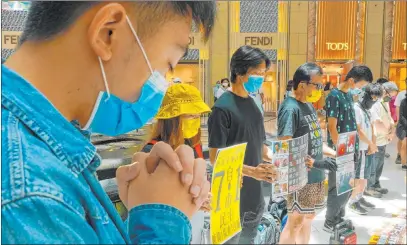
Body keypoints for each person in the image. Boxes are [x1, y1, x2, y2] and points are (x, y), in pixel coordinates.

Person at [1, 2, 216, 244]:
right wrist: (162, 221)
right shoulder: (29, 198)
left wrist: (143, 208)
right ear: (107, 33)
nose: (159, 85)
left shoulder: (39, 155)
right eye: (167, 65)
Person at [208, 46, 277, 244]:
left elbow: (259, 145)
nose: (261, 78)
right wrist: (252, 172)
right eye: (256, 73)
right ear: (239, 71)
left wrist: (276, 160)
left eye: (263, 73)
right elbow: (215, 158)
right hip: (232, 201)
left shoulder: (253, 105)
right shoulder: (222, 108)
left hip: (255, 198)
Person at [140, 83, 211, 244]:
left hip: (193, 228)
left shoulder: (193, 146)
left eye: (198, 116)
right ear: (172, 118)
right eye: (191, 116)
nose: (196, 121)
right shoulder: (152, 152)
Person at [277, 63, 337, 245]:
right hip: (300, 178)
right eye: (317, 85)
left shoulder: (308, 106)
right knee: (295, 222)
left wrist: (336, 153)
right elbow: (285, 146)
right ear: (302, 85)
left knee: (308, 217)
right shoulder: (290, 108)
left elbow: (316, 142)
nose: (320, 89)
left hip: (316, 175)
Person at [324, 65, 374, 232]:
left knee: (347, 186)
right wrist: (340, 153)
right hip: (340, 151)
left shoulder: (348, 96)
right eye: (360, 85)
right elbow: (332, 127)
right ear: (352, 80)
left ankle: (339, 216)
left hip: (352, 148)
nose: (360, 89)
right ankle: (329, 221)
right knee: (337, 187)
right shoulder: (334, 96)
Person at [347, 83, 382, 216]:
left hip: (368, 148)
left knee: (365, 177)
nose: (373, 101)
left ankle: (359, 197)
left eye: (376, 98)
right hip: (360, 148)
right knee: (359, 177)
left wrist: (373, 143)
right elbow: (358, 129)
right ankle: (352, 201)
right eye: (372, 97)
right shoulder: (357, 108)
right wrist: (370, 144)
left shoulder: (368, 109)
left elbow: (372, 126)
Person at [369, 82, 399, 194]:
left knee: (379, 164)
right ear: (384, 91)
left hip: (383, 140)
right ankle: (370, 187)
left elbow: (389, 117)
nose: (390, 98)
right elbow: (376, 122)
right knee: (373, 165)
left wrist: (392, 129)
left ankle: (376, 184)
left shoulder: (384, 103)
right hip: (376, 140)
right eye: (390, 95)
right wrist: (388, 133)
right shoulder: (375, 104)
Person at [394, 79, 407, 164]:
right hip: (402, 121)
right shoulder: (401, 94)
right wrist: (399, 120)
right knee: (401, 139)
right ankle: (399, 155)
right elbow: (397, 107)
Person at [396, 94, 407, 171]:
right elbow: (401, 116)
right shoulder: (403, 101)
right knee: (404, 144)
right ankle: (404, 163)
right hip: (403, 126)